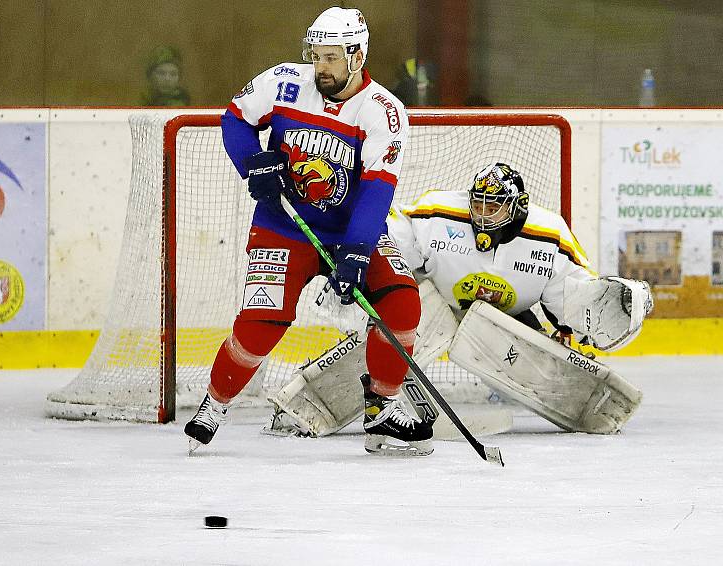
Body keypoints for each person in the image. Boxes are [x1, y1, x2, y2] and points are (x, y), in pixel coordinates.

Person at [184, 7, 432, 456]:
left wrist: (357, 251)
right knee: (261, 323)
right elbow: (235, 118)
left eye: (332, 58)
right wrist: (253, 164)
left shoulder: (384, 112)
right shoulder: (283, 81)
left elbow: (378, 189)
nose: (321, 67)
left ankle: (383, 410)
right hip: (283, 226)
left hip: (350, 231)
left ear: (358, 56)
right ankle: (214, 404)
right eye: (316, 56)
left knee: (401, 299)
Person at [264, 162, 654, 438]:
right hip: (438, 299)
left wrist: (607, 310)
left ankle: (587, 405)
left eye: (494, 205)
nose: (483, 214)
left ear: (517, 208)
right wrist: (358, 262)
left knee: (491, 330)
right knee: (411, 323)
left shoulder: (548, 236)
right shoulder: (438, 213)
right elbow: (395, 250)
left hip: (511, 321)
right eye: (479, 202)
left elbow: (572, 299)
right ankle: (309, 402)